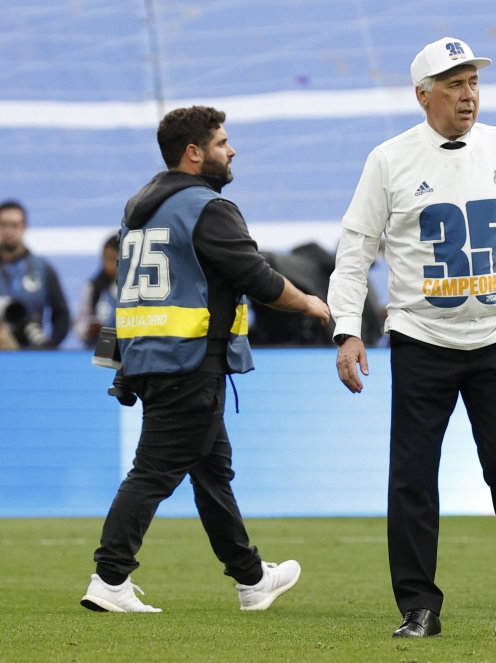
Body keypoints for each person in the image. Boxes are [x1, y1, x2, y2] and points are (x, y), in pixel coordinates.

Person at [329, 37, 496, 638]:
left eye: (472, 83)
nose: (468, 95)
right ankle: (419, 607)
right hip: (420, 337)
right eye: (453, 84)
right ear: (423, 95)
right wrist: (346, 329)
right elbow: (356, 249)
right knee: (412, 474)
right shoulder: (389, 159)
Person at [81, 106, 331, 613]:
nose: (231, 149)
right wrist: (309, 301)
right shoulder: (207, 207)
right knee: (153, 472)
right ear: (194, 153)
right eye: (221, 142)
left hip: (147, 357)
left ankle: (251, 578)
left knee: (212, 472)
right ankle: (109, 579)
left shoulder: (140, 208)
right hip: (191, 361)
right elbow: (257, 278)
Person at [0, 200, 70, 349]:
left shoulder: (42, 268)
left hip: (31, 353)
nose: (8, 231)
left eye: (14, 225)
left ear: (24, 227)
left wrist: (49, 347)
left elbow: (62, 314)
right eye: (3, 225)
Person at [74, 234, 120, 347]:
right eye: (105, 259)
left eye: (114, 259)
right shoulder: (93, 287)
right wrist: (88, 329)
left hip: (127, 351)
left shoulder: (136, 288)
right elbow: (79, 322)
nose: (108, 265)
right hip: (99, 350)